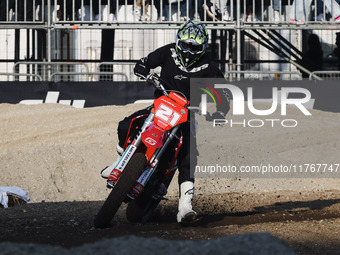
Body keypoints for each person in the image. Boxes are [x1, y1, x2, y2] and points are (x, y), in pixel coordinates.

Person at [100, 20, 229, 223]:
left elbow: (223, 93)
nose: (188, 50)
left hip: (187, 116)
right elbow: (144, 62)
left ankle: (185, 208)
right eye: (185, 45)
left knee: (188, 159)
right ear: (178, 42)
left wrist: (217, 109)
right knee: (126, 124)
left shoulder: (210, 67)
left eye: (193, 47)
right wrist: (143, 69)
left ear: (203, 47)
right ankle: (120, 162)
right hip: (161, 107)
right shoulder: (168, 52)